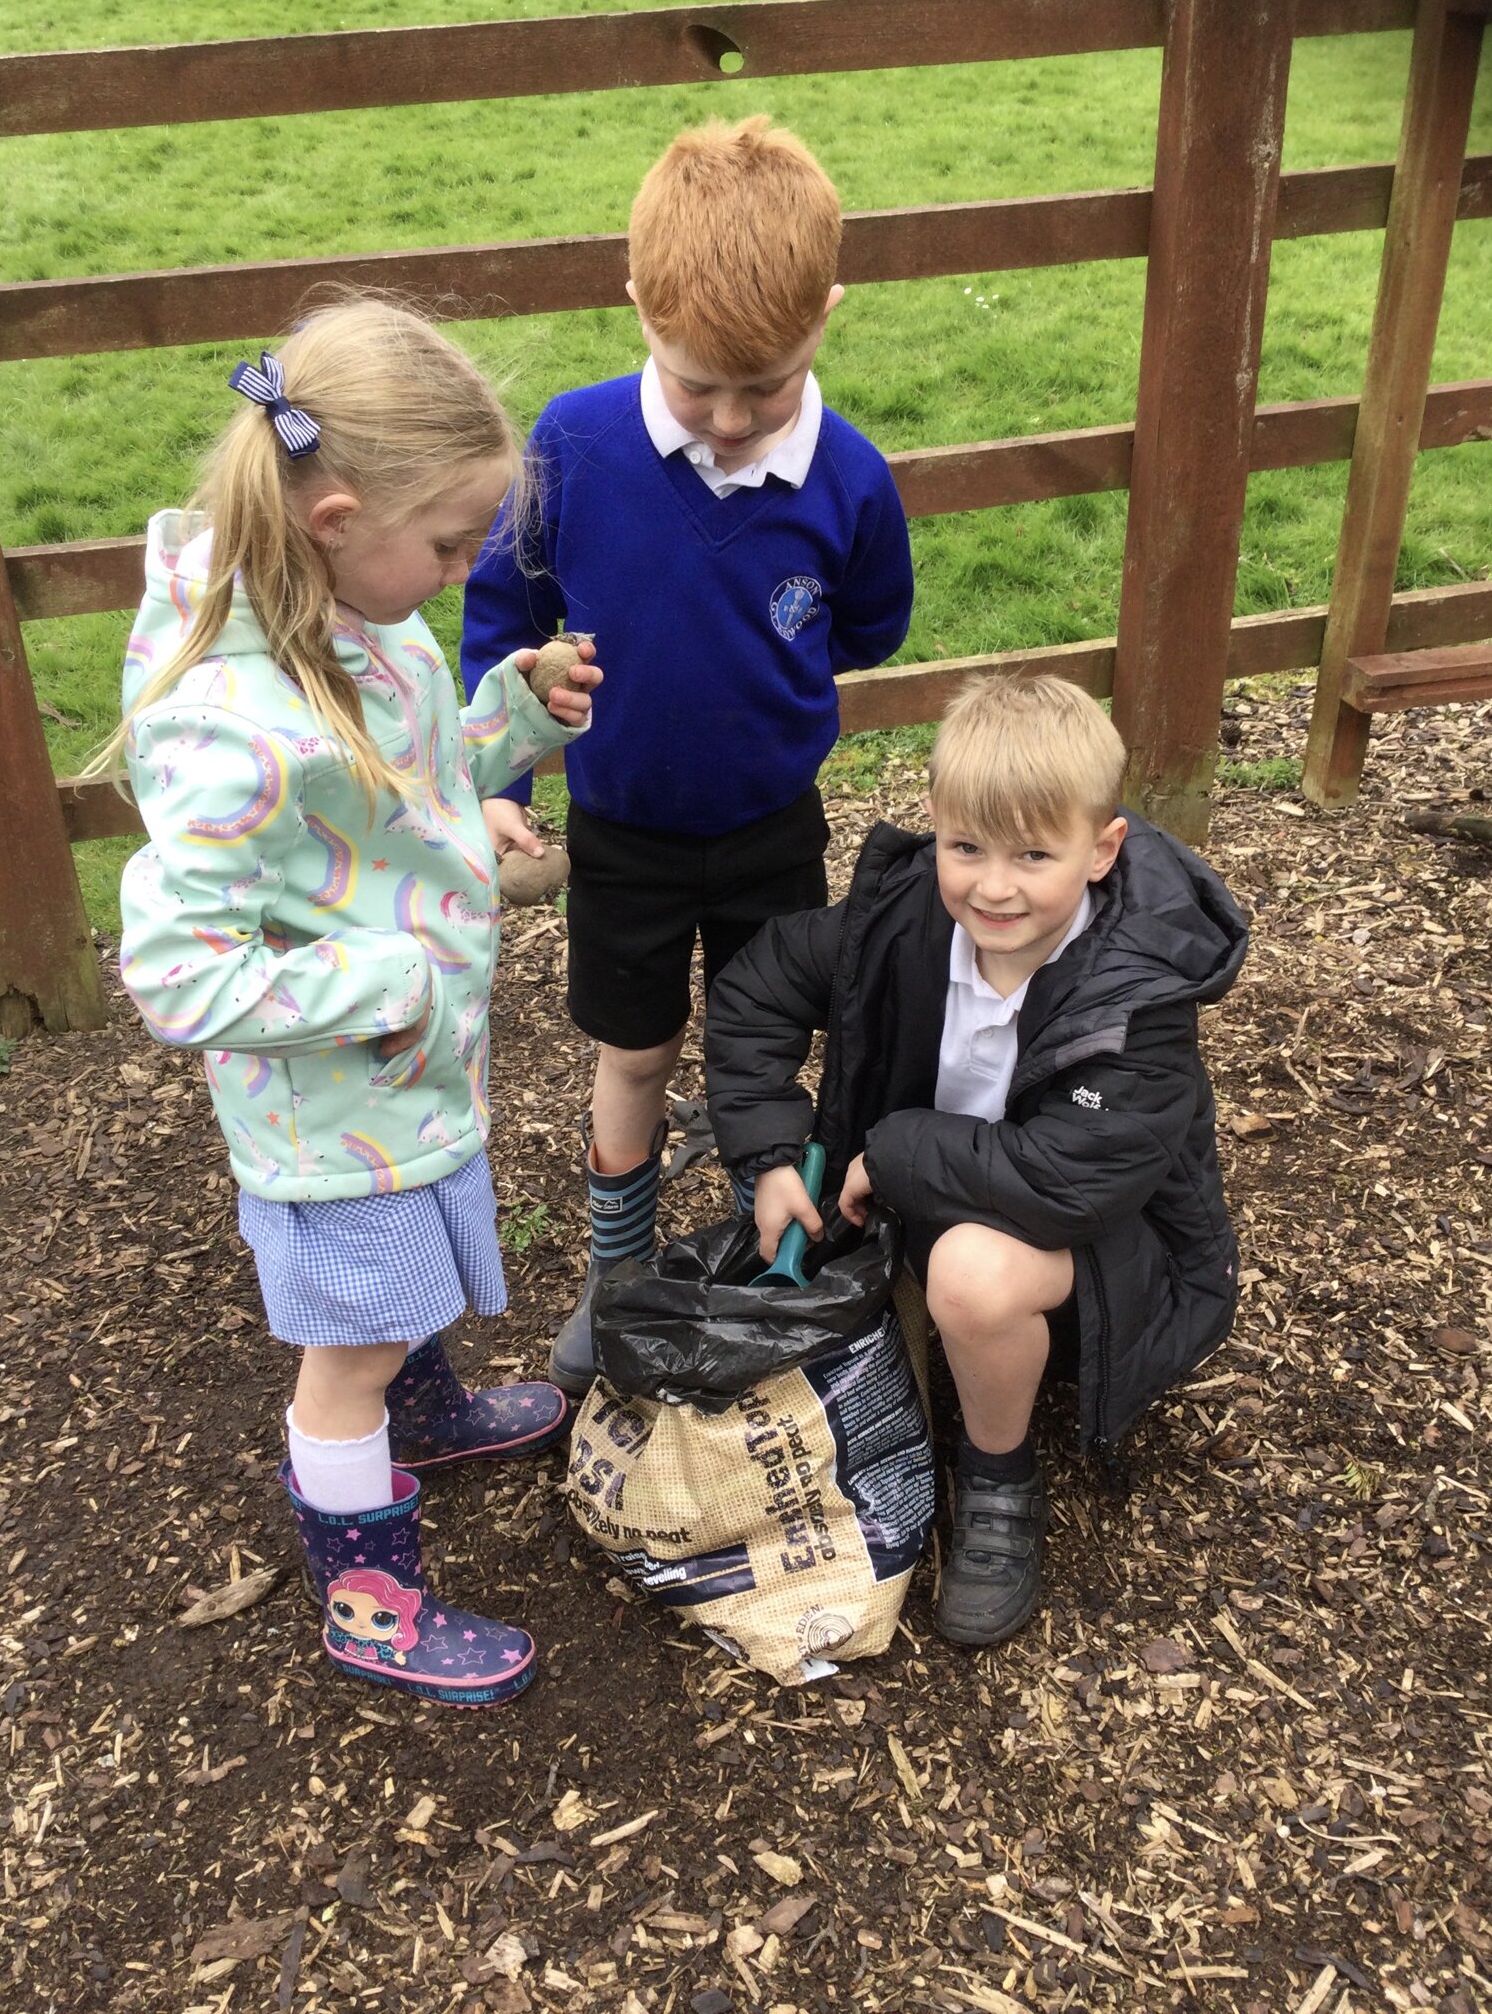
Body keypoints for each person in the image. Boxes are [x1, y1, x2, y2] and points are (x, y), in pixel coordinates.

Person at [95, 297, 601, 1705]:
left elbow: (406, 784)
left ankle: (422, 1412)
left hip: (399, 1075)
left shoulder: (357, 617)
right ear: (329, 512)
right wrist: (390, 978)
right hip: (336, 1101)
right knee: (347, 1347)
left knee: (406, 1281)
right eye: (446, 545)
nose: (456, 572)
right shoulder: (230, 727)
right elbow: (175, 971)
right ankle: (366, 1597)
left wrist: (509, 709)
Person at [461, 116, 914, 1395]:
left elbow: (870, 623)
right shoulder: (570, 445)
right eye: (692, 379)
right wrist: (498, 781)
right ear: (636, 304)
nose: (724, 418)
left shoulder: (851, 481)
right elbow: (502, 616)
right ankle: (616, 1276)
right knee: (637, 1050)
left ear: (825, 314)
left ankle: (758, 1249)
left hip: (773, 823)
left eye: (760, 387)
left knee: (763, 1047)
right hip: (622, 829)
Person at [704, 674, 1247, 1648]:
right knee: (860, 1248)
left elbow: (1068, 1181)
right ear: (937, 827)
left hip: (1109, 1251)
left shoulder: (1141, 992)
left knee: (970, 1271)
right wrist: (773, 1151)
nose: (992, 886)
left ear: (1100, 848)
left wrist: (896, 1152)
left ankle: (997, 1477)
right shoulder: (901, 920)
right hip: (937, 1185)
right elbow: (756, 986)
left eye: (1032, 855)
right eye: (966, 848)